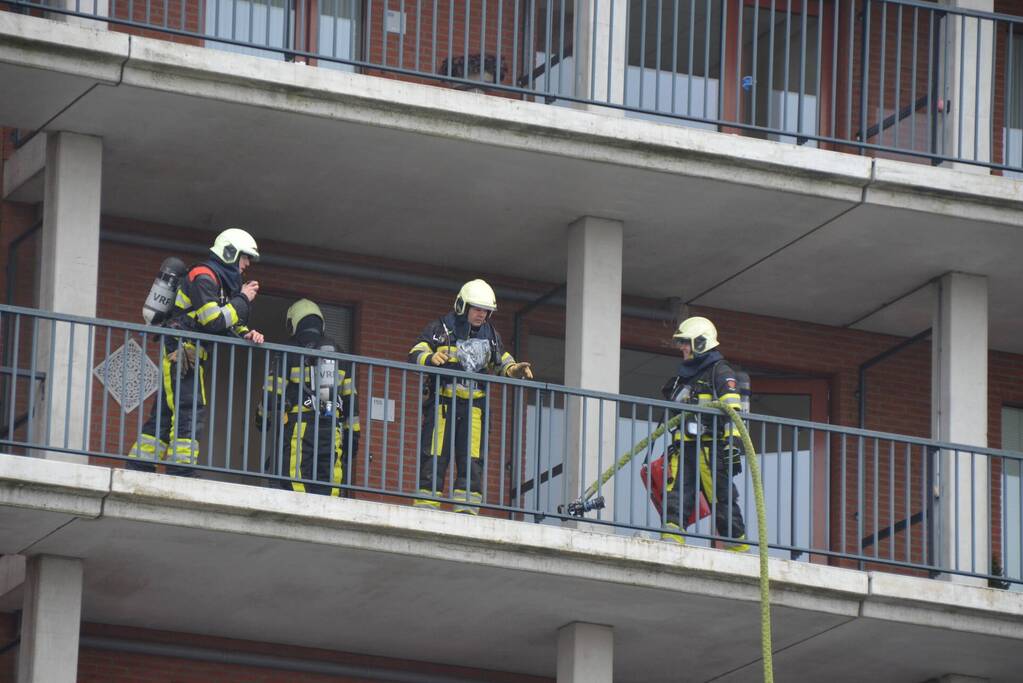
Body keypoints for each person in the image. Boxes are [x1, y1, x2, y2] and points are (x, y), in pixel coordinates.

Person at [127, 228, 264, 475]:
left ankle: (140, 464)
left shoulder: (219, 282)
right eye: (245, 257)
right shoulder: (203, 276)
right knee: (189, 407)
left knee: (166, 412)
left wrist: (246, 333)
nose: (247, 264)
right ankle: (181, 467)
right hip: (181, 351)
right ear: (230, 252)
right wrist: (242, 299)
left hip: (189, 352)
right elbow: (212, 320)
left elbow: (224, 321)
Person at [408, 279, 533, 514]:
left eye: (486, 310)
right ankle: (426, 507)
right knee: (434, 454)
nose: (482, 314)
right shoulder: (440, 329)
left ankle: (466, 509)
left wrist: (513, 369)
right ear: (462, 306)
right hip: (443, 404)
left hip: (475, 408)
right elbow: (415, 353)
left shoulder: (491, 335)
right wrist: (430, 358)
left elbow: (501, 361)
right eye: (477, 309)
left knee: (472, 459)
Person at [658, 316, 748, 551]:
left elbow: (733, 412)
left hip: (710, 450)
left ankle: (738, 548)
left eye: (686, 343)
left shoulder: (720, 372)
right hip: (684, 448)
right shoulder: (685, 376)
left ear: (700, 342)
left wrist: (733, 444)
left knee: (721, 498)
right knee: (677, 492)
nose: (682, 348)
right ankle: (671, 541)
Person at [259, 299, 360, 496]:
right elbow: (351, 401)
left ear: (294, 322)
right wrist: (353, 438)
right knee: (330, 480)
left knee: (295, 478)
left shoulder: (289, 351)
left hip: (300, 426)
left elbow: (271, 392)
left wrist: (261, 418)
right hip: (332, 429)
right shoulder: (339, 354)